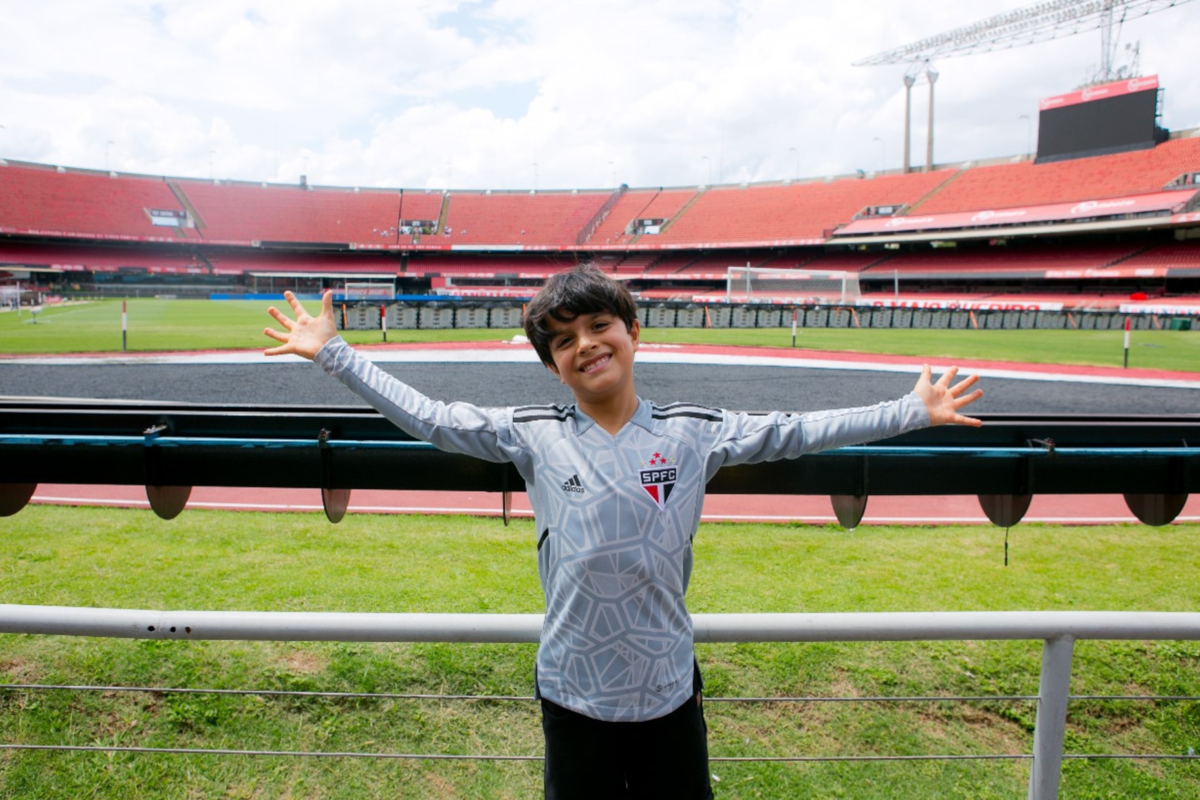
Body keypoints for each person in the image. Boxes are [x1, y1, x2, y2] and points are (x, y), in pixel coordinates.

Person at [263, 265, 983, 799]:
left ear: (632, 332)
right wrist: (333, 352)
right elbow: (433, 418)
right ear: (553, 366)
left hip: (668, 692)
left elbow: (795, 432)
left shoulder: (695, 432)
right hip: (572, 693)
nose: (585, 345)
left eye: (598, 326)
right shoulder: (532, 432)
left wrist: (909, 410)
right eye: (563, 340)